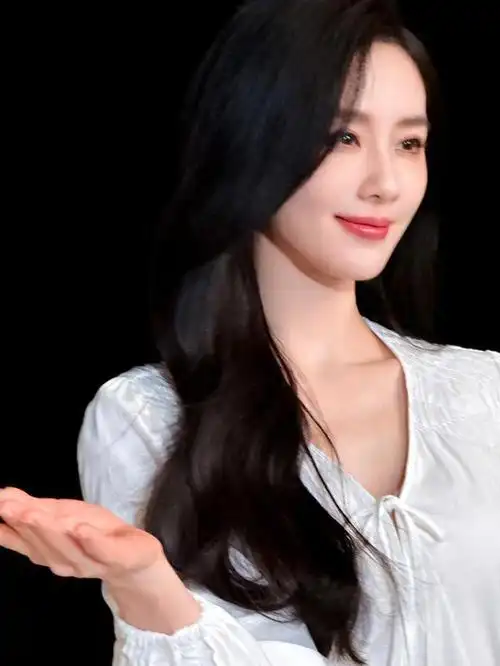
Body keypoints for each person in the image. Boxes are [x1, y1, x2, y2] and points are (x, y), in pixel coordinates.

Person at [1, 0, 499, 664]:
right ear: (249, 139)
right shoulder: (147, 417)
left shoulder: (485, 392)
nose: (386, 183)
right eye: (342, 137)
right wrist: (150, 593)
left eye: (409, 143)